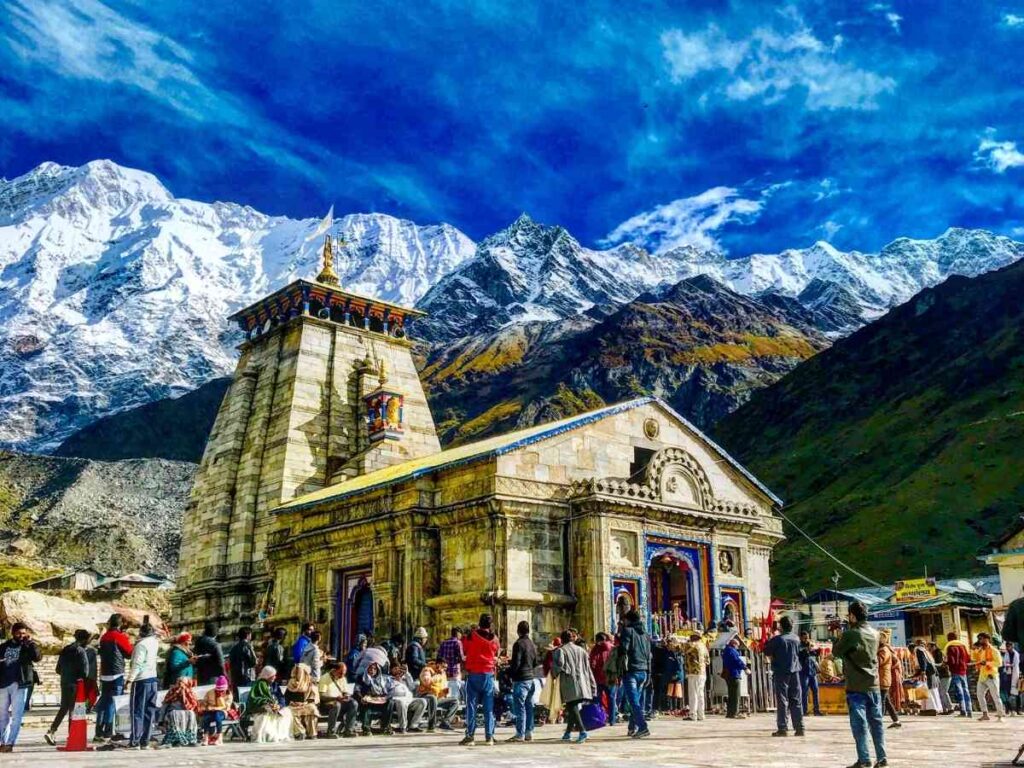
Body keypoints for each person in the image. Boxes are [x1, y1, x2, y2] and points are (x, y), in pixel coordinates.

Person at [832, 601, 887, 768]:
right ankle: (882, 757)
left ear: (853, 616)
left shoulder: (851, 634)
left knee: (859, 725)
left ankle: (864, 759)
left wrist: (839, 635)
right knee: (876, 723)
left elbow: (836, 652)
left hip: (856, 686)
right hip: (874, 684)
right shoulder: (876, 634)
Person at [44, 629, 91, 745]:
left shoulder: (66, 649)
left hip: (64, 682)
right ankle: (71, 736)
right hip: (75, 684)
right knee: (73, 711)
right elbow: (85, 672)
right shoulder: (81, 651)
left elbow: (57, 669)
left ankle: (52, 731)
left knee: (63, 708)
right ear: (85, 640)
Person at [0, 622, 40, 753]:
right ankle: (2, 742)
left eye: (24, 633)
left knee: (17, 716)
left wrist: (31, 643)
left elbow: (37, 657)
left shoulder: (28, 646)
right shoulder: (3, 647)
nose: (21, 636)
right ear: (13, 633)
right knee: (2, 716)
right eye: (19, 633)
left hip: (20, 684)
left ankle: (10, 743)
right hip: (3, 684)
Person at [460, 613, 500, 746]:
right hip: (488, 674)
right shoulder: (494, 639)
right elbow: (496, 652)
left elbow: (464, 649)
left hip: (473, 674)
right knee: (489, 708)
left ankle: (470, 736)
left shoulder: (471, 636)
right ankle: (489, 737)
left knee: (471, 706)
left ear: (479, 623)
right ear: (490, 624)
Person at [553, 628, 597, 744]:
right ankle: (567, 733)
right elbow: (588, 668)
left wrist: (553, 675)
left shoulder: (561, 651)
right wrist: (592, 684)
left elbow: (559, 666)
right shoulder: (581, 650)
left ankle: (582, 731)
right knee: (573, 707)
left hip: (569, 682)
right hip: (582, 681)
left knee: (572, 706)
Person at [764, 616, 805, 737]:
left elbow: (766, 651)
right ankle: (800, 727)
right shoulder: (796, 638)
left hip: (781, 672)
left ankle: (783, 727)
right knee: (796, 700)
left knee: (782, 700)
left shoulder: (778, 639)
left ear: (781, 626)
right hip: (795, 672)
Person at [617, 608, 652, 738]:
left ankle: (643, 727)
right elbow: (649, 655)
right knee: (636, 701)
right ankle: (632, 727)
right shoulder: (646, 635)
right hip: (643, 671)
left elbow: (623, 650)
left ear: (629, 620)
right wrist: (649, 672)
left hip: (631, 670)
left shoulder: (628, 631)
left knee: (633, 702)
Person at [127, 616, 160, 749]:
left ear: (141, 633)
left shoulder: (141, 645)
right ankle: (145, 740)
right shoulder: (154, 643)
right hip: (153, 679)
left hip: (141, 680)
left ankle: (135, 740)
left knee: (137, 711)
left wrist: (130, 679)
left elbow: (138, 664)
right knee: (149, 711)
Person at [506, 620, 538, 742]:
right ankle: (529, 732)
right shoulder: (532, 644)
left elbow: (516, 663)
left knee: (520, 707)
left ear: (518, 631)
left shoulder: (518, 644)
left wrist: (509, 673)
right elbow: (535, 662)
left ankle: (520, 733)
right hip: (531, 678)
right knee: (529, 706)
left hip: (521, 679)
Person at [249, 666, 293, 742]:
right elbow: (254, 699)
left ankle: (281, 735)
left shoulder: (275, 685)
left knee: (287, 712)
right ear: (267, 675)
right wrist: (268, 703)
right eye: (273, 676)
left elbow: (281, 697)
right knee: (267, 712)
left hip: (275, 707)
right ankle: (269, 736)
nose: (274, 677)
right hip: (261, 708)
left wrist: (280, 705)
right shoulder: (259, 684)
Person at [319, 662, 359, 737]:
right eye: (340, 673)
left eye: (344, 673)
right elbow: (322, 696)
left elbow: (345, 691)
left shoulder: (342, 678)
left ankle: (349, 730)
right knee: (336, 705)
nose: (342, 675)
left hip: (340, 701)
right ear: (334, 670)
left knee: (354, 703)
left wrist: (346, 696)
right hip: (328, 703)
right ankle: (331, 731)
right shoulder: (325, 678)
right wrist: (335, 698)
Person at [386, 663, 426, 733]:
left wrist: (407, 673)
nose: (397, 670)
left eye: (398, 668)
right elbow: (386, 689)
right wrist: (395, 681)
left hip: (408, 699)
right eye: (395, 669)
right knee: (401, 702)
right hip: (396, 699)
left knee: (422, 702)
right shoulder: (388, 678)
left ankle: (413, 726)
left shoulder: (404, 678)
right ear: (390, 670)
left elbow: (412, 687)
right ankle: (403, 727)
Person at [160, 676, 200, 747]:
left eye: (183, 683)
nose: (181, 686)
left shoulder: (189, 692)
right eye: (179, 683)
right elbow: (165, 704)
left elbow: (194, 704)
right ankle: (177, 740)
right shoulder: (172, 692)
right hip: (173, 711)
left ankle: (190, 739)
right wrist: (161, 721)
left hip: (186, 711)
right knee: (175, 714)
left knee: (191, 714)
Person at [973, 632, 1005, 722]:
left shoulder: (994, 650)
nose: (980, 640)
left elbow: (999, 663)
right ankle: (985, 714)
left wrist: (987, 663)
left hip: (991, 676)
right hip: (982, 676)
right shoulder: (980, 651)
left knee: (995, 696)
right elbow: (975, 659)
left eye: (981, 638)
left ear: (987, 639)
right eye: (979, 639)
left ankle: (1000, 715)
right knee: (980, 695)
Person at [418, 662, 458, 731]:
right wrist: (438, 676)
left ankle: (445, 722)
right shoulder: (427, 670)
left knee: (455, 701)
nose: (444, 669)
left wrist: (444, 692)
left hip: (438, 698)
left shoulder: (443, 674)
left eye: (446, 668)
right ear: (438, 665)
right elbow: (427, 681)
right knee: (433, 698)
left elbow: (441, 688)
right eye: (443, 667)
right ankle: (431, 726)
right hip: (426, 696)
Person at [284, 662, 319, 739]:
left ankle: (312, 733)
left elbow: (314, 698)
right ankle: (300, 732)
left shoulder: (310, 682)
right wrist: (292, 702)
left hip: (306, 704)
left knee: (312, 709)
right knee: (291, 711)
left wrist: (305, 703)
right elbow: (287, 696)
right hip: (294, 705)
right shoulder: (291, 682)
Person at [356, 661, 392, 735]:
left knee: (390, 702)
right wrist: (361, 698)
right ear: (367, 669)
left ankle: (385, 727)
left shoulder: (381, 679)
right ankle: (366, 728)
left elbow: (385, 692)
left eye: (375, 669)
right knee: (366, 703)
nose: (372, 670)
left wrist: (384, 697)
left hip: (379, 700)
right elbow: (357, 690)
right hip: (368, 700)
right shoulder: (361, 678)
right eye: (370, 668)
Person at [589, 632, 617, 726]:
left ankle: (600, 718)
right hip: (611, 678)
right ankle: (612, 720)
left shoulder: (595, 649)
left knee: (597, 699)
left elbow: (592, 663)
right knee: (611, 699)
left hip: (598, 678)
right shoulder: (612, 648)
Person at [877, 629, 901, 728]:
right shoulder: (883, 649)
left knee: (881, 701)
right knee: (886, 701)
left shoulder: (884, 650)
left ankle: (879, 722)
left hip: (883, 678)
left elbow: (878, 662)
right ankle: (896, 720)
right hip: (883, 678)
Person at [944, 631, 971, 717]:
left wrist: (946, 663)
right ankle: (969, 710)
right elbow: (968, 659)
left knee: (959, 691)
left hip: (955, 671)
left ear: (949, 638)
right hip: (964, 671)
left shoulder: (950, 647)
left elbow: (951, 661)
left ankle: (963, 710)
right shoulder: (963, 646)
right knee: (966, 690)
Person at [683, 632, 709, 721]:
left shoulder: (692, 646)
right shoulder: (703, 646)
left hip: (694, 672)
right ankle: (701, 715)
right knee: (700, 694)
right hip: (702, 672)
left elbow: (684, 650)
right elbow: (708, 661)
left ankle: (693, 714)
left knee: (693, 693)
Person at [201, 676, 233, 745]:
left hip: (222, 712)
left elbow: (226, 707)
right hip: (210, 711)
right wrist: (206, 707)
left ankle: (219, 738)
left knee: (217, 715)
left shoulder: (229, 694)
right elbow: (204, 703)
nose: (220, 691)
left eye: (222, 690)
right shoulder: (210, 692)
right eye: (218, 690)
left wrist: (220, 699)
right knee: (206, 718)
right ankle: (206, 737)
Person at [722, 635, 747, 720]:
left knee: (731, 694)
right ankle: (735, 713)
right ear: (734, 644)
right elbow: (737, 661)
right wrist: (745, 667)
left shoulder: (726, 651)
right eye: (737, 645)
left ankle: (730, 713)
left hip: (728, 675)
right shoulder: (732, 651)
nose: (738, 647)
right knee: (736, 695)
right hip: (734, 674)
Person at [798, 630, 823, 717]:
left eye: (807, 637)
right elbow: (801, 654)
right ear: (801, 638)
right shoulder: (799, 646)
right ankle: (804, 710)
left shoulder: (810, 646)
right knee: (804, 692)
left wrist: (817, 650)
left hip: (812, 672)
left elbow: (815, 654)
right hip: (804, 672)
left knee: (815, 691)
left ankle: (817, 710)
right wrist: (807, 649)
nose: (806, 639)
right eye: (805, 638)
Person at [228, 627, 258, 696]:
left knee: (237, 695)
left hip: (235, 676)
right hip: (246, 675)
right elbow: (254, 661)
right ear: (248, 635)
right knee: (246, 695)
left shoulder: (234, 648)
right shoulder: (248, 646)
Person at [931, 642, 954, 715]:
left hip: (945, 675)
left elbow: (941, 664)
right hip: (941, 676)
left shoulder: (938, 653)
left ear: (934, 646)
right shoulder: (934, 653)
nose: (929, 649)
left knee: (943, 692)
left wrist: (932, 665)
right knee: (941, 692)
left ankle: (950, 708)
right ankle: (944, 709)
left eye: (930, 647)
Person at [1001, 640, 1021, 715]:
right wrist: (1009, 665)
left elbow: (1016, 664)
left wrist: (1009, 665)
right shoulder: (1006, 654)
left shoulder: (1016, 654)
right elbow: (1005, 663)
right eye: (1007, 646)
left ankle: (1018, 710)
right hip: (1008, 675)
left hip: (1015, 674)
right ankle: (1009, 709)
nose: (1008, 648)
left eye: (1009, 646)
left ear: (1012, 646)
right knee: (1008, 692)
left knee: (1017, 692)